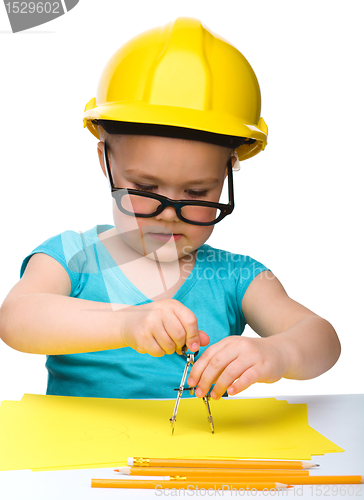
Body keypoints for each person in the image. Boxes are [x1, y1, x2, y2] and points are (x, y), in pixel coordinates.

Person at [0, 18, 340, 401]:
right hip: (81, 462)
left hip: (191, 460)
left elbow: (322, 338)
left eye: (196, 191)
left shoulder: (237, 276)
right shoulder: (71, 256)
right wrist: (126, 323)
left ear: (225, 176)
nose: (169, 213)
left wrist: (278, 353)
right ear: (105, 163)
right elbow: (15, 318)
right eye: (145, 188)